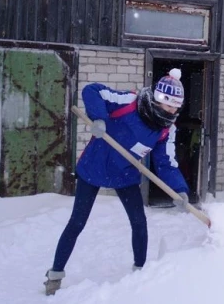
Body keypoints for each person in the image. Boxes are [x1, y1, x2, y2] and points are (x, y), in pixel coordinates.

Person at [44, 68, 190, 295]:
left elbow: (166, 163)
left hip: (125, 174)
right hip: (95, 166)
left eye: (176, 107)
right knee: (77, 222)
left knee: (139, 221)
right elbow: (93, 91)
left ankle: (141, 272)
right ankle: (55, 274)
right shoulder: (131, 102)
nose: (173, 111)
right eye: (169, 105)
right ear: (158, 99)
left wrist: (179, 190)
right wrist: (99, 118)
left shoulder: (166, 130)